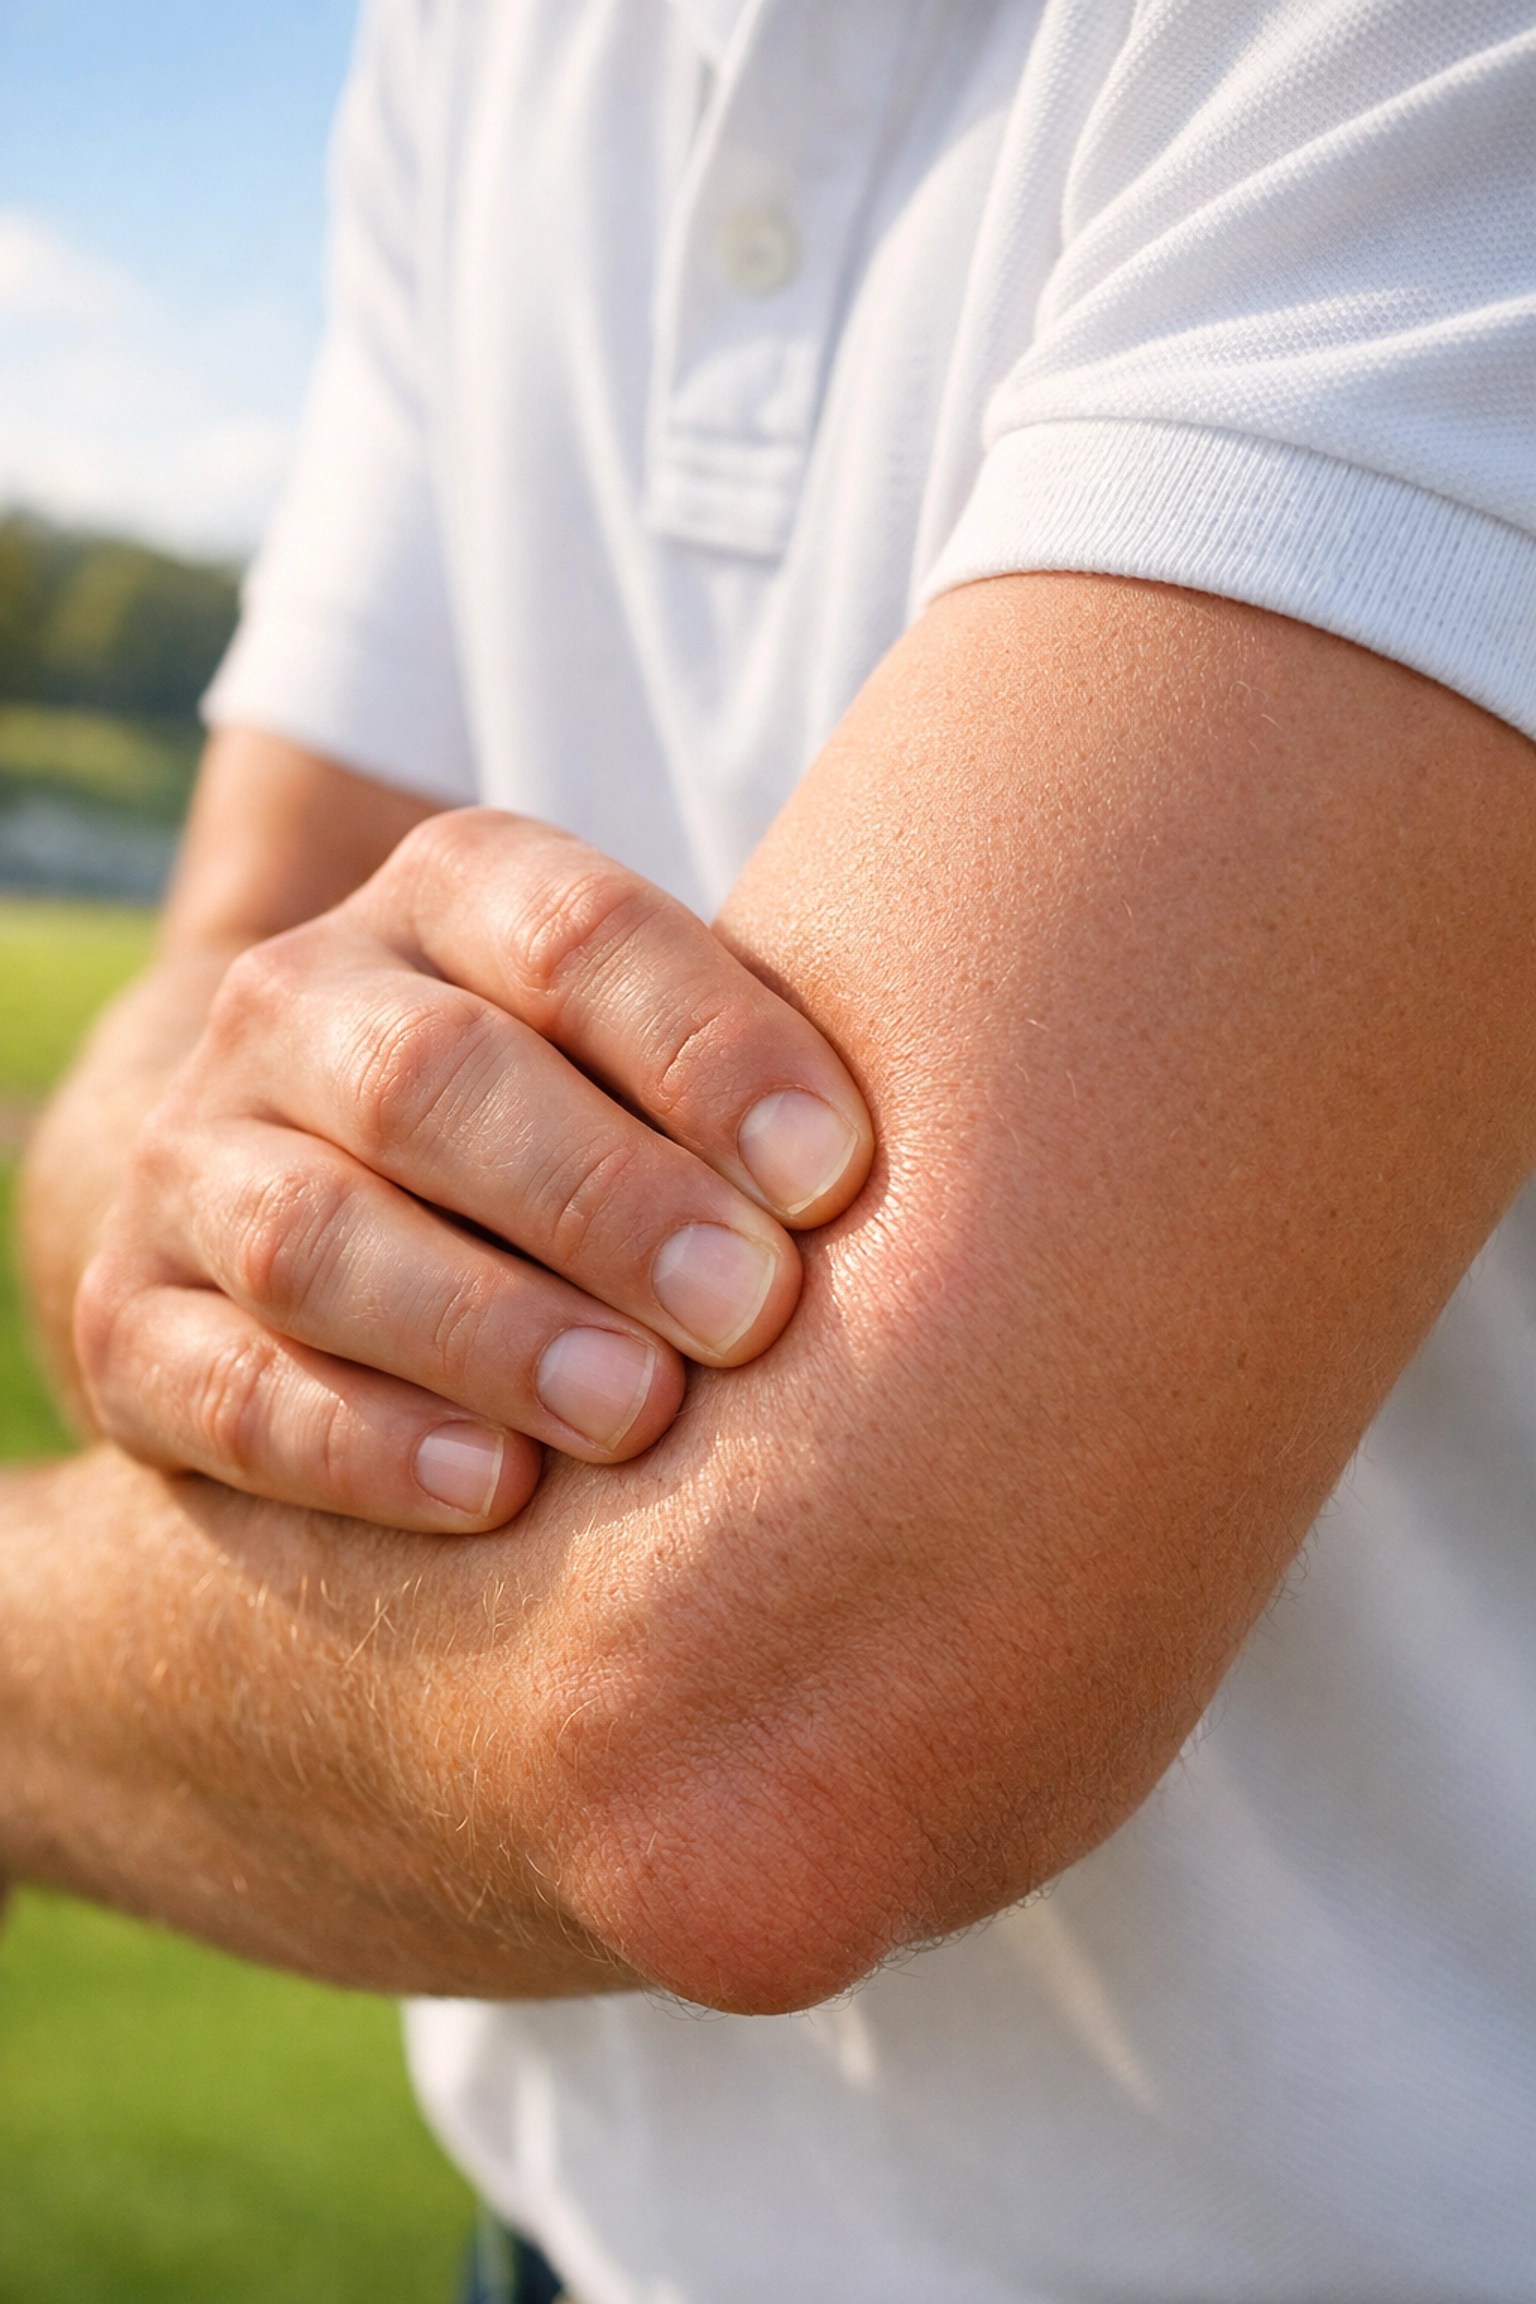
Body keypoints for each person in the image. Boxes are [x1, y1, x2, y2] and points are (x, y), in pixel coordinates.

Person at [8, 0, 1536, 2294]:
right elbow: (220, 967)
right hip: (560, 2234)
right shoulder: (478, 36)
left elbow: (751, 1731)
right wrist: (222, 1189)